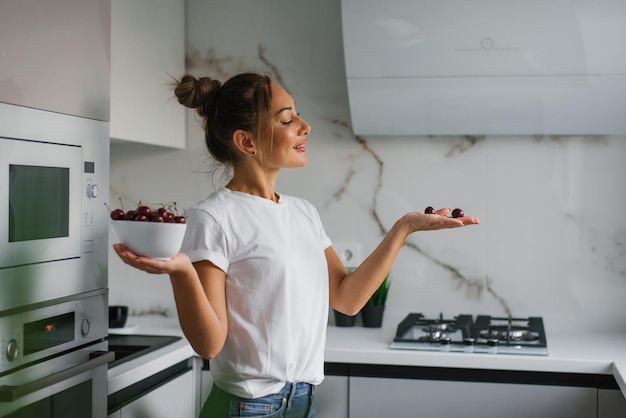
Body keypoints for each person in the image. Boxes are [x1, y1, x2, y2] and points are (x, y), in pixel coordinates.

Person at [113, 72, 480, 418]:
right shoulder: (213, 217)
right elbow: (209, 344)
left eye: (297, 116)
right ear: (247, 142)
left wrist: (403, 229)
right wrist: (180, 271)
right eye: (287, 120)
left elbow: (347, 299)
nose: (305, 127)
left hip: (303, 402)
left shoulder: (303, 212)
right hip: (247, 407)